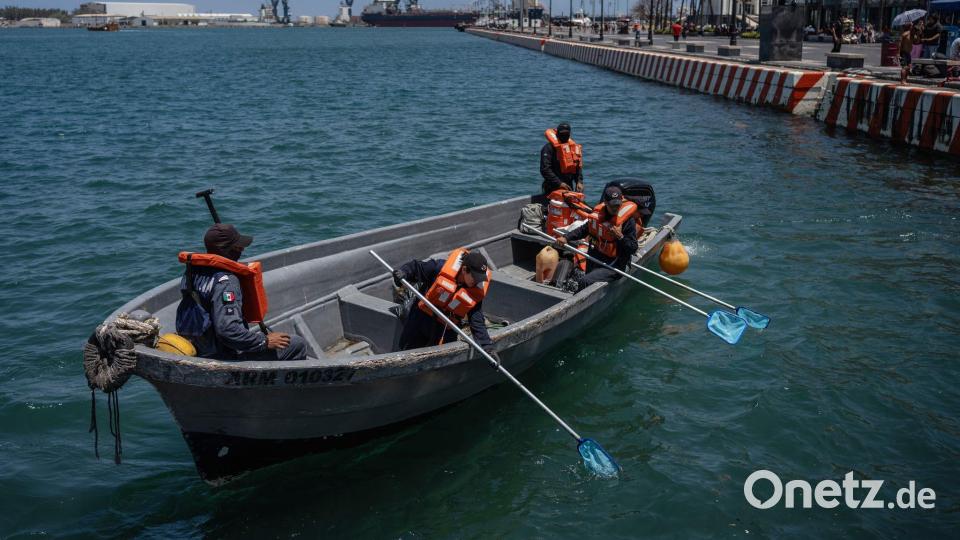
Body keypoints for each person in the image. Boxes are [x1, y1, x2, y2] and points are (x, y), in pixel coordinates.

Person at [176, 223, 307, 361]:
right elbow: (228, 331)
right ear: (225, 249)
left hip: (200, 346)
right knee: (296, 344)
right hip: (224, 355)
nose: (242, 249)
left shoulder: (192, 272)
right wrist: (264, 341)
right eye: (237, 247)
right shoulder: (226, 282)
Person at [393, 248, 496, 356]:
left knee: (441, 357)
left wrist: (487, 347)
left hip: (445, 329)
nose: (477, 282)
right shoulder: (438, 268)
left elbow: (477, 320)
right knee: (407, 350)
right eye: (475, 277)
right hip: (421, 318)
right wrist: (403, 272)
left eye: (480, 278)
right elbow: (416, 267)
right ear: (464, 270)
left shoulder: (474, 290)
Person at [555, 185, 639, 292]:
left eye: (618, 205)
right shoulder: (598, 215)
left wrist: (620, 236)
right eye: (612, 205)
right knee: (580, 275)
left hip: (614, 264)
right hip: (596, 257)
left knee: (585, 281)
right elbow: (584, 229)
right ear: (605, 203)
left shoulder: (627, 221)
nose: (615, 208)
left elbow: (633, 248)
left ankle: (577, 301)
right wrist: (566, 237)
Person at [540, 122, 583, 194]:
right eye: (562, 134)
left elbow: (577, 166)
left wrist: (579, 181)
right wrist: (559, 183)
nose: (564, 136)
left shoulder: (572, 148)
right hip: (552, 186)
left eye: (566, 134)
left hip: (568, 186)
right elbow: (545, 169)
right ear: (557, 134)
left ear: (569, 134)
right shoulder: (548, 148)